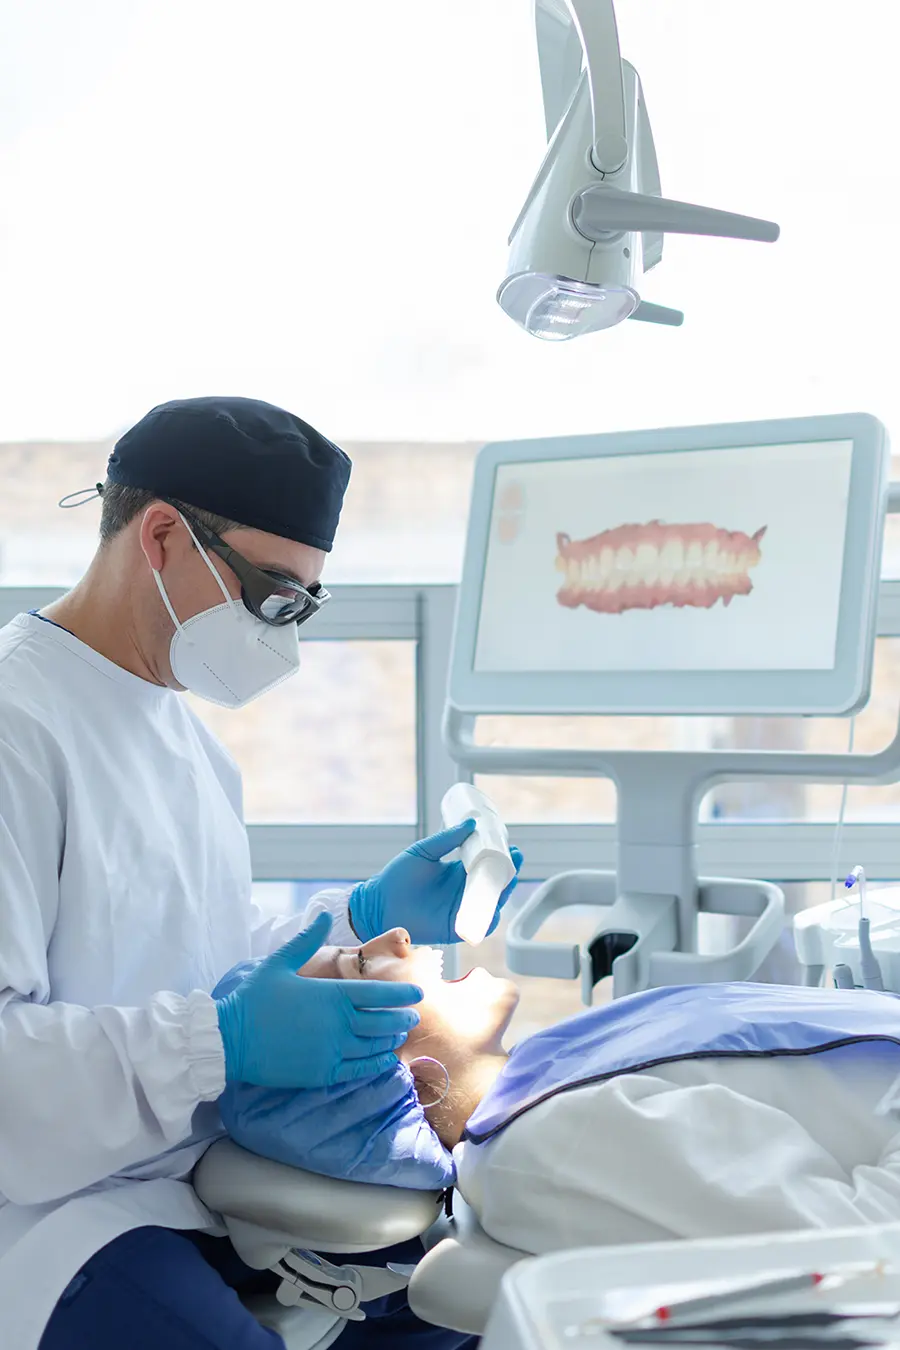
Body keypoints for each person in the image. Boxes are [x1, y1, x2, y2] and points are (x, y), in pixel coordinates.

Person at [0, 396, 522, 1350]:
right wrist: (217, 1045)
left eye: (304, 605)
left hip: (206, 1179)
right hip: (56, 1217)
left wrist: (359, 920)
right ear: (161, 535)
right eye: (273, 593)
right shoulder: (17, 725)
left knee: (472, 1306)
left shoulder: (188, 743)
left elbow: (208, 955)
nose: (284, 633)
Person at [221, 934, 900, 1263]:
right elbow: (861, 1245)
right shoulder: (548, 1145)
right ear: (411, 1077)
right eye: (362, 963)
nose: (395, 935)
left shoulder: (554, 1079)